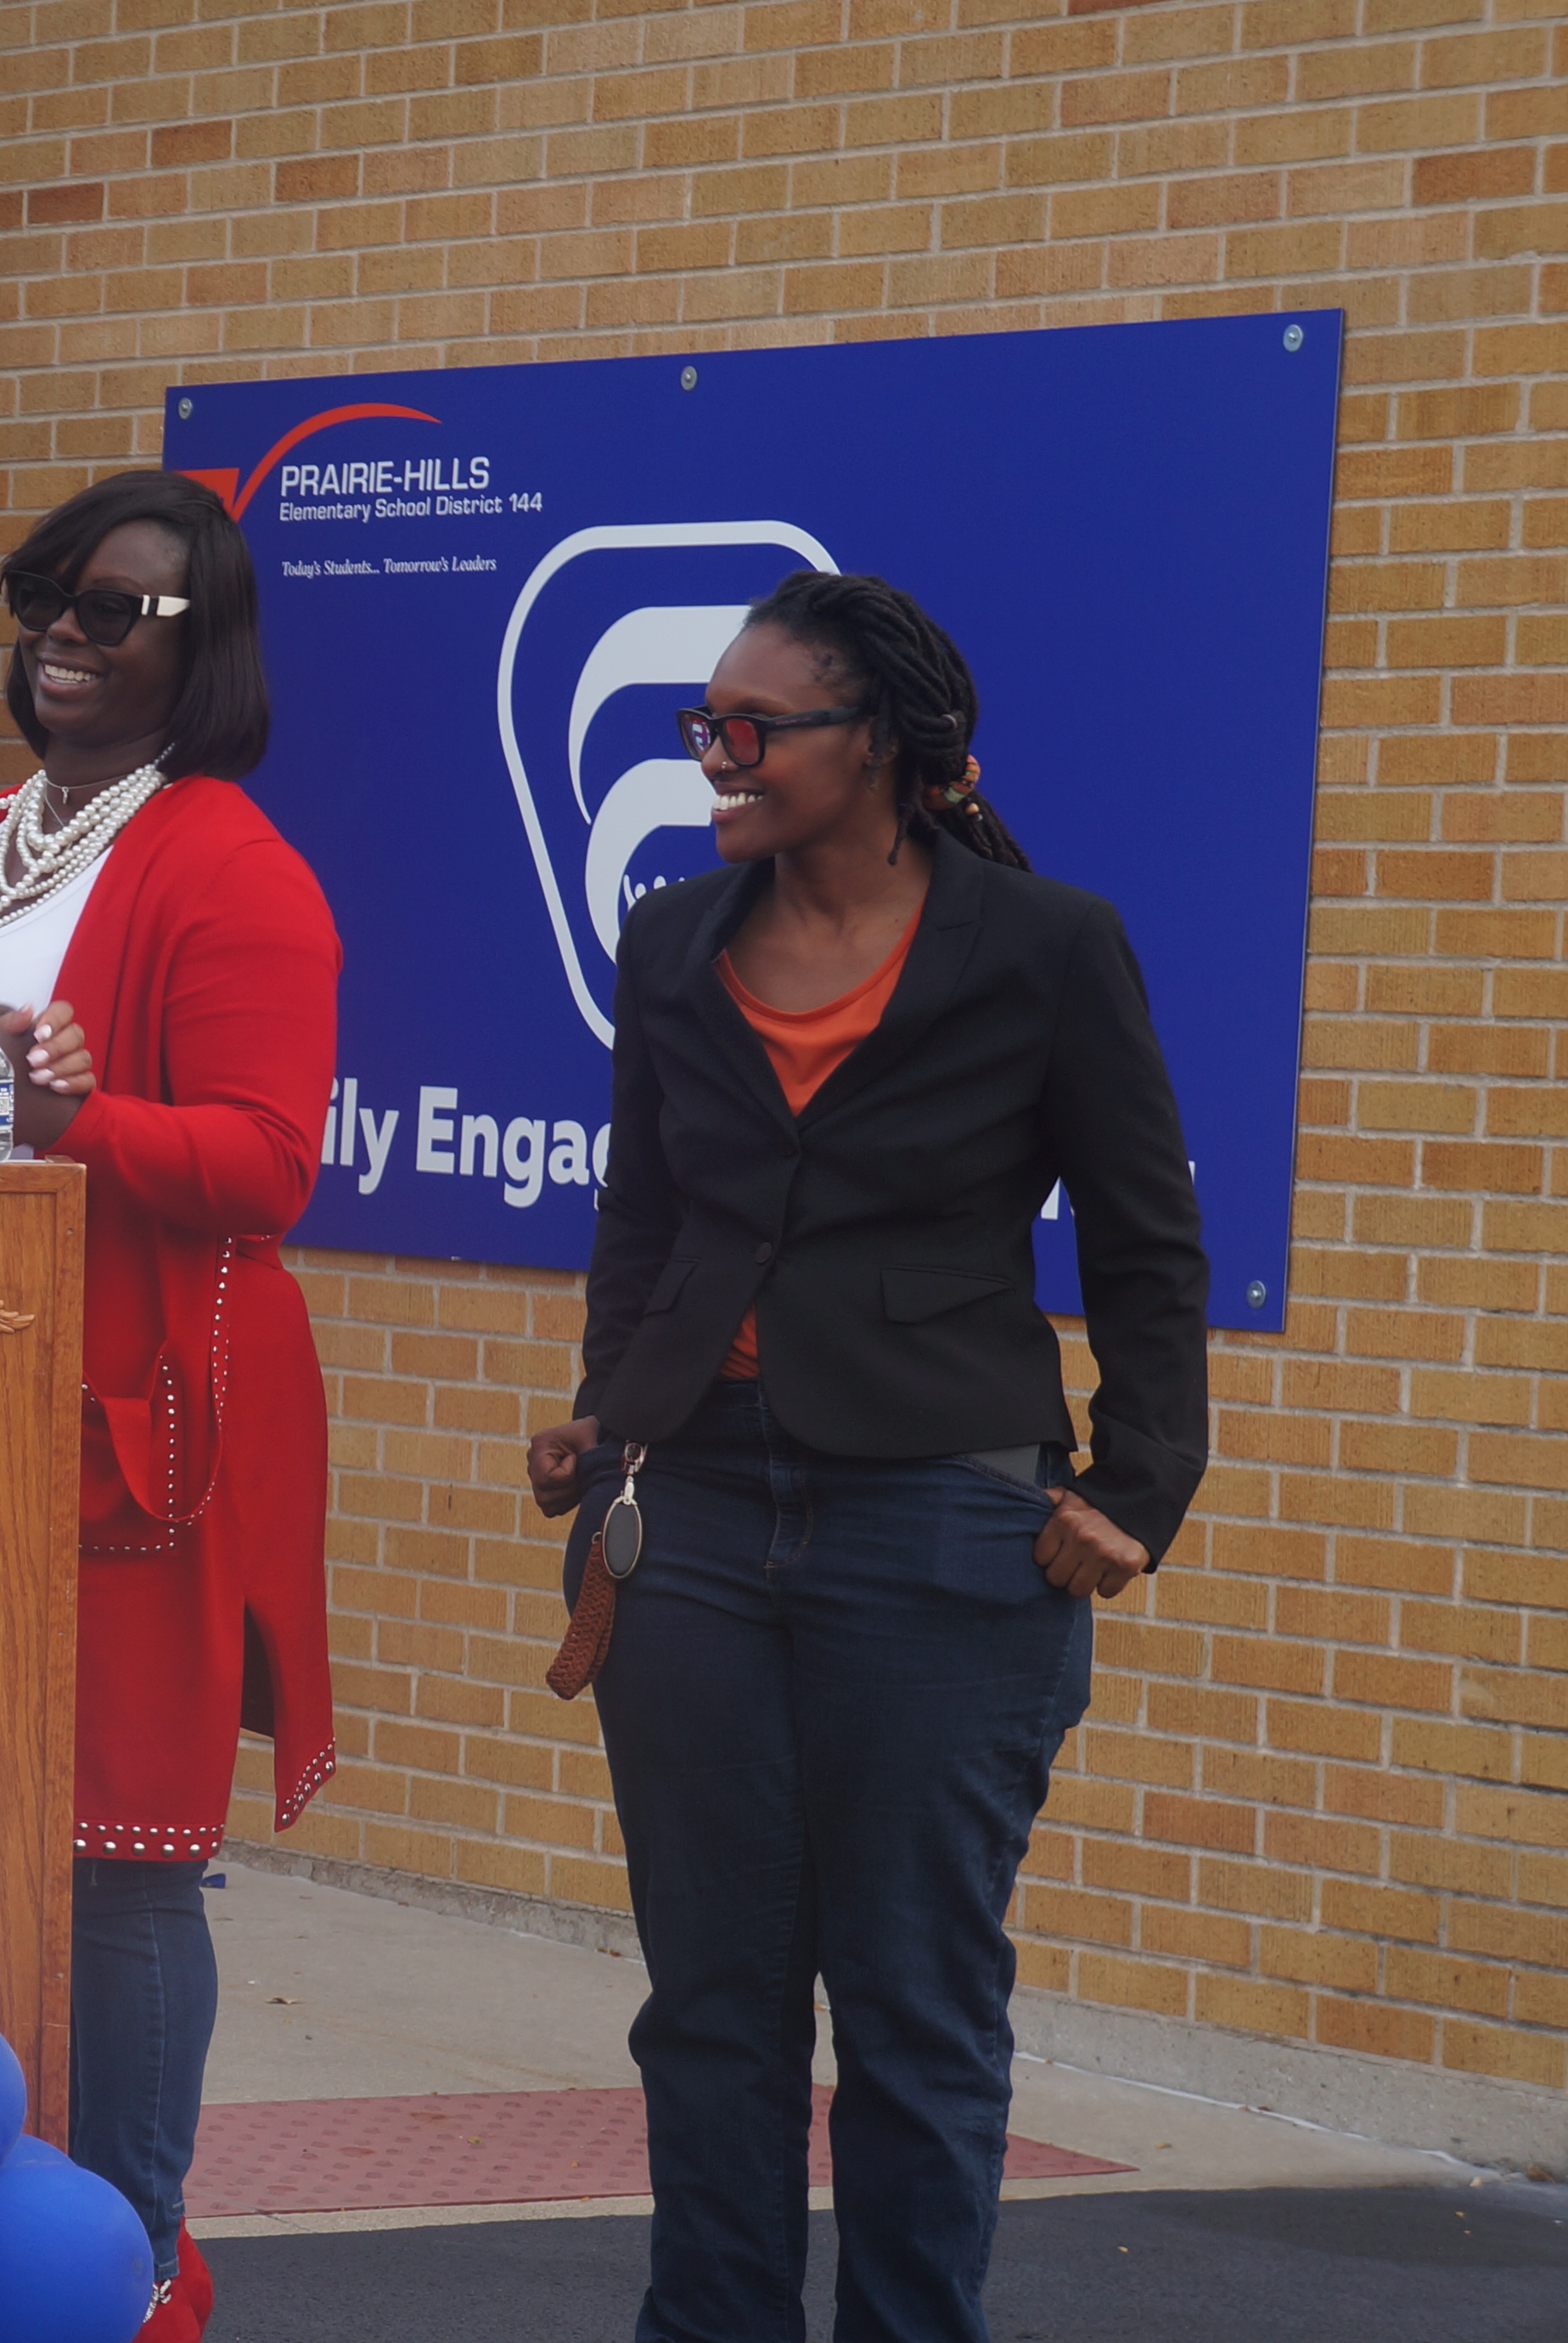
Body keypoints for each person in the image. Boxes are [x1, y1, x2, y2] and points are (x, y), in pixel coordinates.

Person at [522, 572, 1207, 2343]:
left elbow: (1141, 1239)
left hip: (937, 1531)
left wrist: (1136, 1490)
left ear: (880, 746)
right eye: (702, 729)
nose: (713, 759)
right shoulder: (671, 935)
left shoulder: (1044, 945)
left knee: (910, 2011)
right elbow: (644, 1211)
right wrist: (613, 1409)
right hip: (690, 1521)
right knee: (712, 2010)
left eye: (750, 732)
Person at [0, 469, 340, 2343]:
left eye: (116, 611)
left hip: (132, 1429)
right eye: (47, 600)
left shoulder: (227, 862)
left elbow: (264, 1163)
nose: (64, 636)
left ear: (200, 646)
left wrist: (80, 1119)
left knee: (119, 1861)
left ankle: (133, 2266)